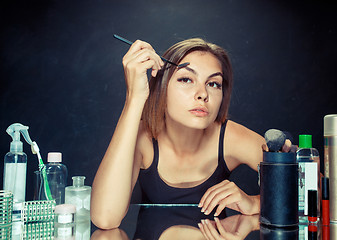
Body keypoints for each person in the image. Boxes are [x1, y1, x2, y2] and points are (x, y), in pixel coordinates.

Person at [91, 38, 290, 230]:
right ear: (162, 86)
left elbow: (311, 190)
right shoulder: (143, 136)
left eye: (213, 84)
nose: (202, 94)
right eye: (186, 79)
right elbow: (105, 218)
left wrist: (256, 203)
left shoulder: (230, 136)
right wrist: (134, 98)